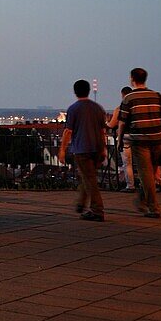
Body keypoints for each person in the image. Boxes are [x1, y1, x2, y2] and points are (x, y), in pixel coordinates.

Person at [116, 67, 161, 218]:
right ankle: (142, 199)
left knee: (145, 173)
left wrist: (120, 140)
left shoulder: (129, 98)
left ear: (132, 79)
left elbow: (121, 122)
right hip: (158, 139)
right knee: (151, 172)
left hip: (140, 140)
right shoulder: (157, 96)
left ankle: (153, 207)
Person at [57, 80, 108, 222]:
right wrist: (103, 148)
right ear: (89, 90)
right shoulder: (98, 108)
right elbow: (102, 131)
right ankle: (81, 203)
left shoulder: (74, 108)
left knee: (89, 179)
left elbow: (68, 131)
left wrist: (62, 150)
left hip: (81, 148)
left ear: (75, 92)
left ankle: (97, 210)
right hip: (96, 148)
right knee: (88, 176)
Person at [106, 86, 134, 191]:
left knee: (127, 162)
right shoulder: (136, 107)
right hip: (138, 136)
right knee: (142, 162)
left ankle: (130, 186)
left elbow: (112, 124)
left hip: (125, 136)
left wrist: (107, 122)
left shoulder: (120, 108)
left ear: (122, 95)